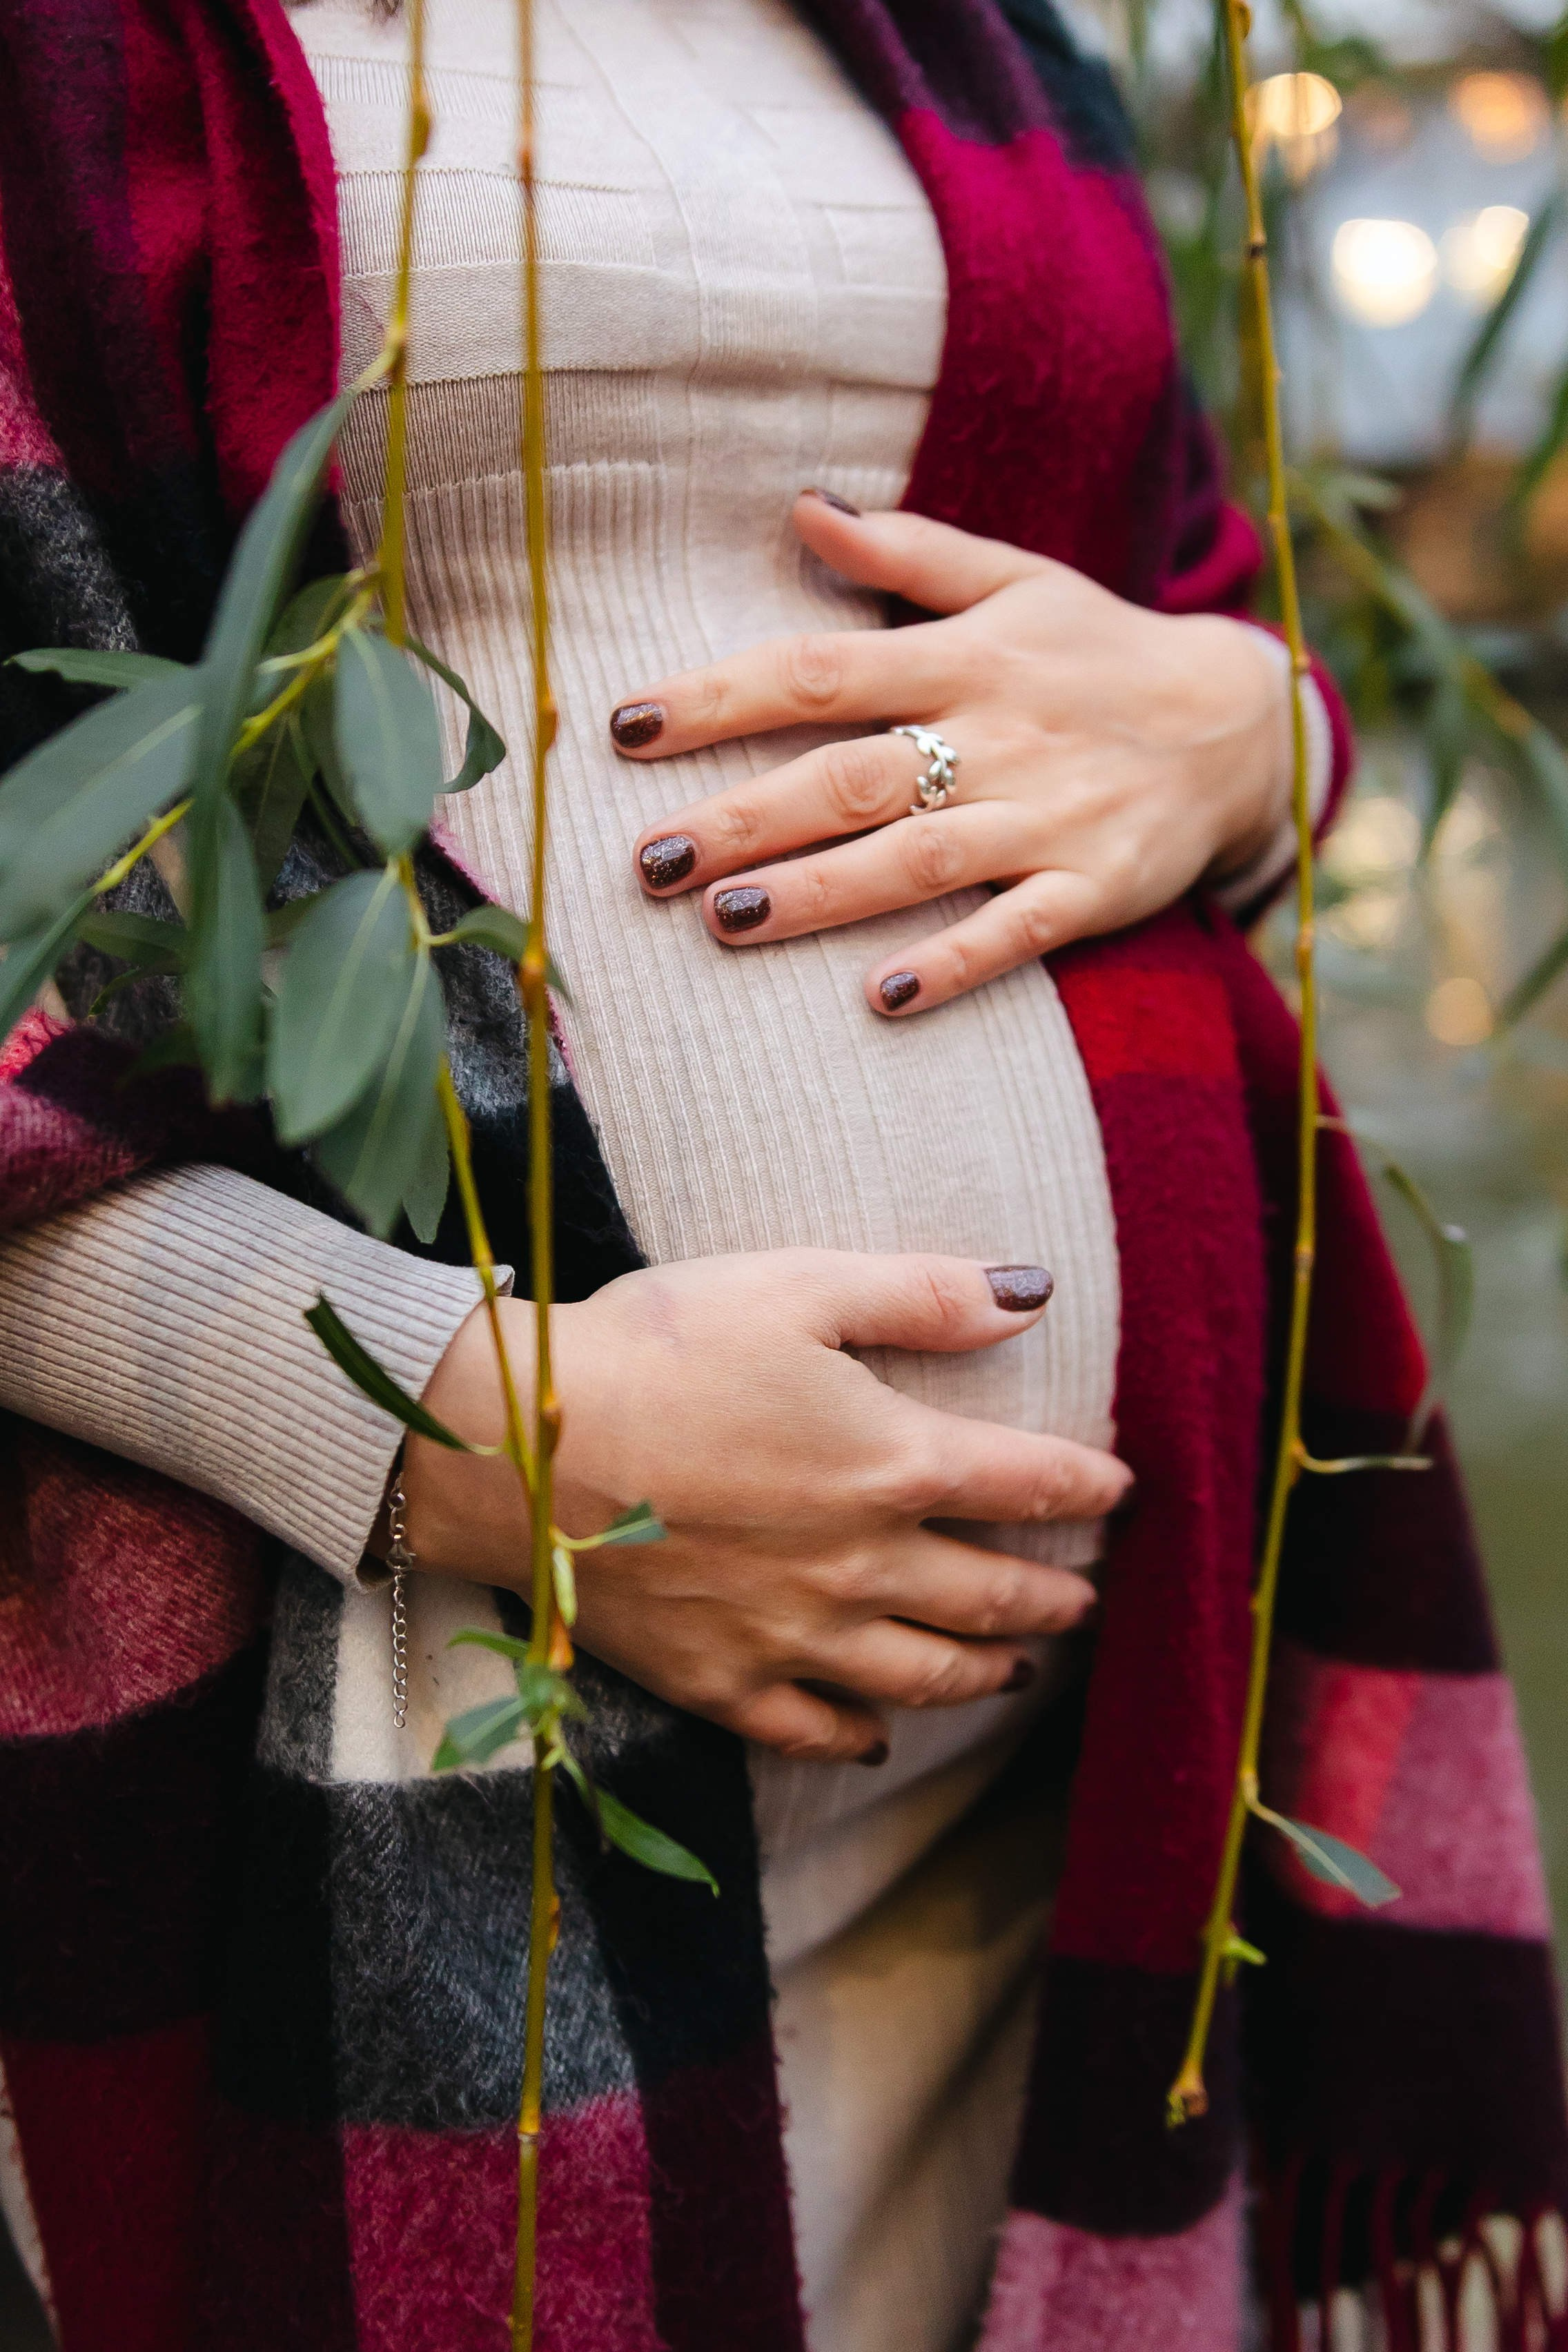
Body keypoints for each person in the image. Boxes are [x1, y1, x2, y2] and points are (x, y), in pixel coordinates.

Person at [0, 1, 1562, 2347]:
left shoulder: (976, 32)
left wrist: (1256, 735)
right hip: (379, 1777)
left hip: (1081, 1800)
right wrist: (434, 1423)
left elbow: (1183, 600)